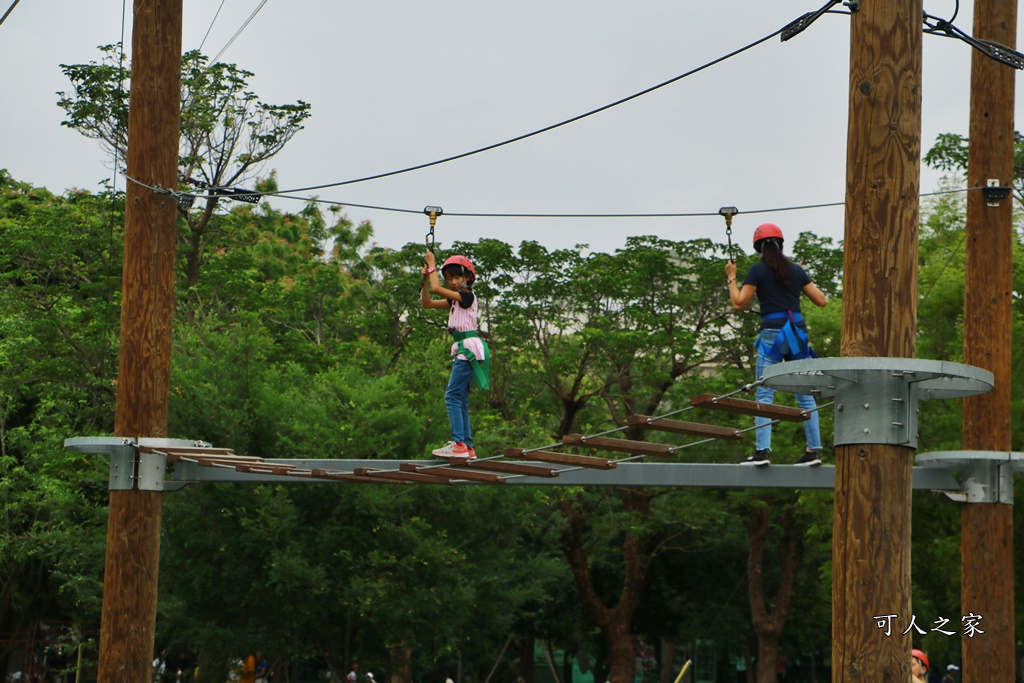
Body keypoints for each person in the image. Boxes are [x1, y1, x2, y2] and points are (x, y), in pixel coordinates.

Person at [726, 222, 828, 466]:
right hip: (796, 334)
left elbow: (739, 303)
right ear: (780, 244)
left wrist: (731, 278)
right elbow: (822, 301)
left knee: (764, 391)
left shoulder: (758, 271)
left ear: (759, 248)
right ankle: (812, 452)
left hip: (772, 334)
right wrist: (798, 277)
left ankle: (762, 452)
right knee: (805, 394)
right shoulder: (795, 270)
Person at [422, 251, 489, 459]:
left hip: (467, 348)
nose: (452, 281)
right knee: (459, 398)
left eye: (457, 277)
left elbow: (437, 288)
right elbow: (428, 303)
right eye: (449, 278)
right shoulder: (455, 302)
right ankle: (467, 446)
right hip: (463, 347)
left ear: (467, 278)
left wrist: (432, 264)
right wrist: (425, 279)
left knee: (451, 396)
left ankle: (458, 443)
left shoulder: (467, 296)